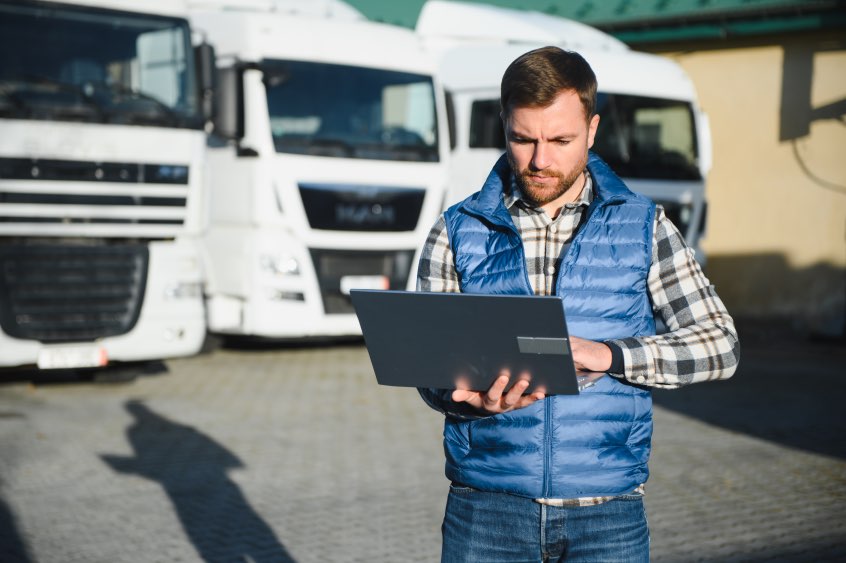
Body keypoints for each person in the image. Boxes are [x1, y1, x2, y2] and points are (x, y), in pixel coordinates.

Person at [416, 46, 740, 562]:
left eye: (561, 140)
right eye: (523, 139)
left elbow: (719, 345)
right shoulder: (456, 230)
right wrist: (461, 398)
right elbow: (428, 363)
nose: (541, 160)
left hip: (607, 513)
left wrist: (608, 354)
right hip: (486, 510)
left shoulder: (644, 226)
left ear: (592, 130)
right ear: (504, 125)